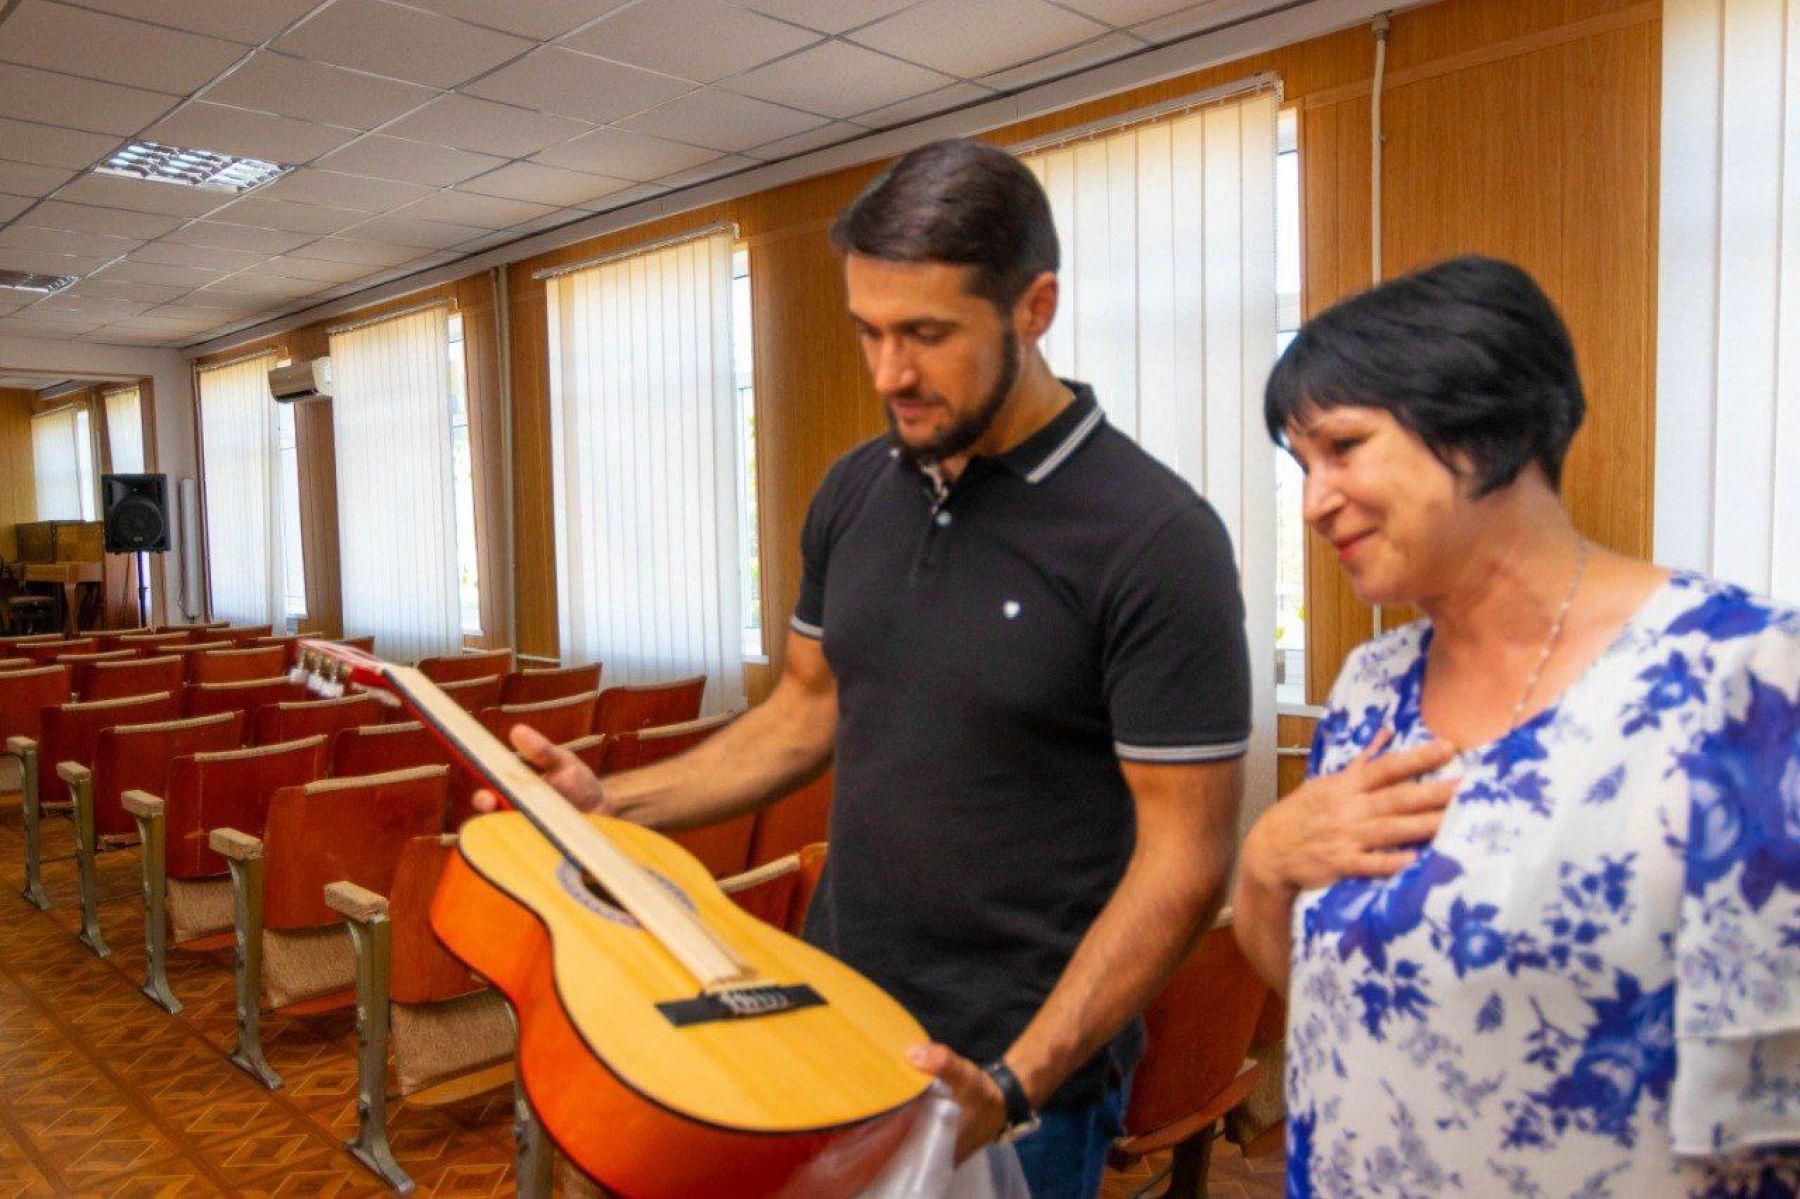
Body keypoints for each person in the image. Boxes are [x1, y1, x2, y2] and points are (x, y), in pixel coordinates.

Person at [486, 138, 1250, 1197]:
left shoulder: (1158, 536)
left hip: (1019, 1080)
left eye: (927, 335)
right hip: (838, 1018)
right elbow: (804, 713)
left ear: (1035, 309)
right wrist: (608, 800)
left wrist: (1016, 1079)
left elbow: (1187, 858)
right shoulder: (857, 488)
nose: (890, 372)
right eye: (870, 332)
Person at [1233, 255, 1800, 1195]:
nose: (1313, 500)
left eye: (1342, 448)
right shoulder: (1372, 687)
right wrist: (1262, 859)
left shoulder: (1737, 676)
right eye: (1300, 466)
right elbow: (1342, 997)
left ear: (1480, 423)